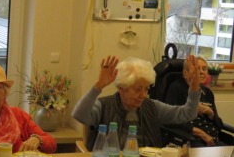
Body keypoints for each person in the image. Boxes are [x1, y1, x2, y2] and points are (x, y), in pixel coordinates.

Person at [72, 55, 201, 150]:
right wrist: (99, 85)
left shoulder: (152, 107)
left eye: (146, 89)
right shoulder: (104, 106)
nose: (143, 95)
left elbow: (188, 114)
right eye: (138, 89)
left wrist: (194, 87)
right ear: (122, 88)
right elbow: (79, 115)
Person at [164, 55, 231, 147]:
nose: (201, 72)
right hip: (190, 138)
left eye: (204, 69)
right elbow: (171, 119)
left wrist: (211, 113)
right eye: (196, 69)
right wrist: (202, 134)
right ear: (185, 73)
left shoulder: (207, 92)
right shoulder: (176, 88)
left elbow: (219, 125)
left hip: (213, 139)